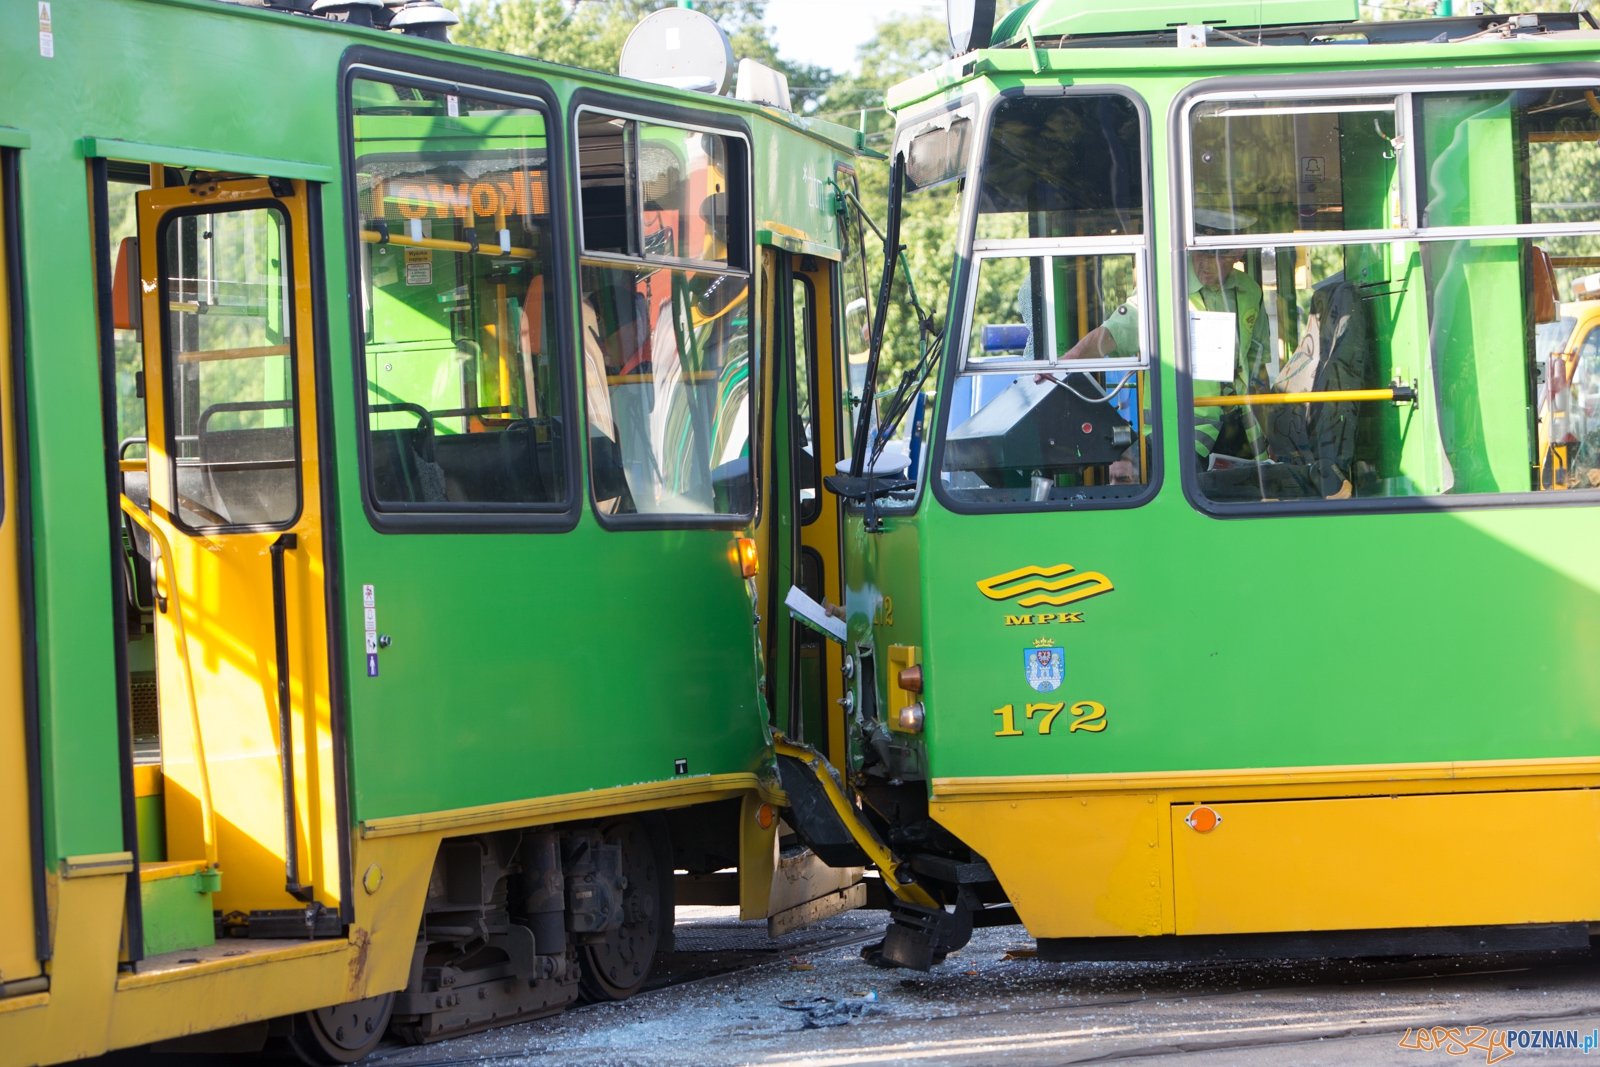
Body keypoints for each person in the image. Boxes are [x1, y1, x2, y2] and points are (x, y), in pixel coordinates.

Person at [1063, 245, 1270, 468]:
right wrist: (1070, 358)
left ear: (1237, 254)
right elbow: (1115, 331)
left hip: (1242, 429)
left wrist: (1271, 435)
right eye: (1201, 253)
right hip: (1179, 432)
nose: (1206, 264)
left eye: (1217, 255)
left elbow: (1257, 366)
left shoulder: (1250, 290)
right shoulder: (1162, 287)